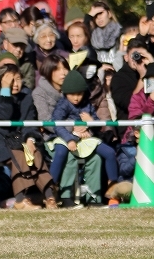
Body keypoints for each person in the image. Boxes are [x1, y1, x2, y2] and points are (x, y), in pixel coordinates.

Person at [31, 55, 103, 206]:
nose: (63, 72)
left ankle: (94, 198)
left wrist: (87, 126)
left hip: (81, 136)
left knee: (95, 159)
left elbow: (89, 114)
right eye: (57, 69)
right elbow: (46, 121)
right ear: (48, 71)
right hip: (53, 138)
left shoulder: (74, 88)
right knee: (68, 156)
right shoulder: (40, 92)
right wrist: (75, 126)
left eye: (65, 68)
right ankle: (63, 195)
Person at [0, 64, 58, 210]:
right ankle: (20, 199)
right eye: (10, 80)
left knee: (35, 153)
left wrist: (30, 140)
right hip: (2, 142)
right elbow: (3, 115)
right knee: (19, 155)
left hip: (22, 139)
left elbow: (30, 123)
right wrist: (5, 90)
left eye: (18, 79)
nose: (15, 84)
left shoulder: (26, 97)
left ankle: (49, 196)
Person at [49, 70, 126, 200]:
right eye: (72, 94)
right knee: (61, 153)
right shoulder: (63, 104)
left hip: (86, 138)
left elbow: (97, 123)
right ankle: (51, 187)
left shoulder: (87, 104)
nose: (76, 97)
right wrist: (69, 139)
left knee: (109, 152)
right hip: (66, 137)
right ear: (65, 93)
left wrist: (91, 122)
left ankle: (112, 185)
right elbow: (56, 124)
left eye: (79, 93)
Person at [87, 1, 121, 65]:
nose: (99, 17)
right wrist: (89, 16)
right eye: (95, 15)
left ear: (109, 13)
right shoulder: (91, 36)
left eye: (100, 13)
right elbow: (82, 32)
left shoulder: (120, 32)